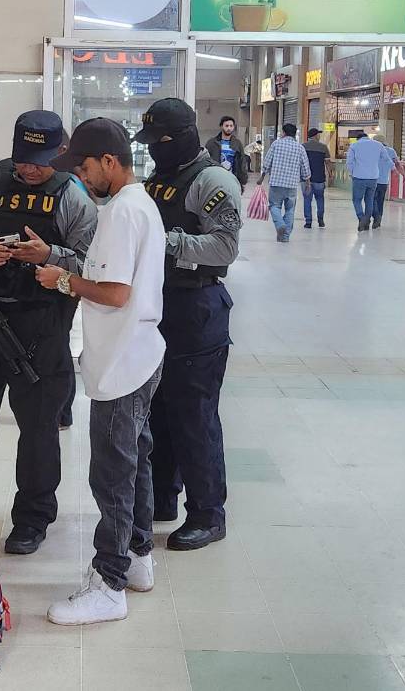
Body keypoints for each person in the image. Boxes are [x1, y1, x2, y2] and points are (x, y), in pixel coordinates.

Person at [0, 110, 97, 556]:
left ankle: (32, 517)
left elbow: (94, 264)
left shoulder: (74, 196)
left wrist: (50, 254)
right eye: (24, 157)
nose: (31, 167)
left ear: (60, 152)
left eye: (41, 159)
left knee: (40, 427)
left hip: (41, 328)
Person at [37, 117, 164, 625]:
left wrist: (63, 280)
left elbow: (115, 292)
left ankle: (109, 583)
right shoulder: (139, 206)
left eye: (86, 168)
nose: (83, 178)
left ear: (110, 162)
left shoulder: (121, 214)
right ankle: (137, 559)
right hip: (140, 353)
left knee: (112, 474)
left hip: (122, 362)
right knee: (136, 461)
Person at [137, 99, 241, 551]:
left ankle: (207, 513)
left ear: (177, 139)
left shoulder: (213, 180)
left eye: (158, 143)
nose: (153, 153)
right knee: (159, 409)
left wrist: (165, 241)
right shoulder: (158, 179)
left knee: (194, 415)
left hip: (198, 307)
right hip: (160, 307)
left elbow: (224, 247)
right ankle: (163, 498)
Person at [57, 130, 87, 432]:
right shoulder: (72, 181)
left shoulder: (69, 185)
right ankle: (61, 411)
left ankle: (63, 412)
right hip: (62, 277)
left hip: (64, 278)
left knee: (58, 344)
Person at [259, 122, 310, 243]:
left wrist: (261, 177)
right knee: (290, 210)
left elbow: (267, 161)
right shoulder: (300, 148)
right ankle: (285, 236)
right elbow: (305, 166)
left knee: (274, 206)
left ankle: (280, 225)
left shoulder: (276, 144)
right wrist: (308, 182)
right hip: (292, 184)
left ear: (284, 132)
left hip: (276, 182)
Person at [346, 132, 384, 232]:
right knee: (369, 200)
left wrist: (351, 172)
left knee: (357, 200)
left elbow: (350, 162)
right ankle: (367, 221)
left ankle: (361, 218)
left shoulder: (354, 145)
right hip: (373, 178)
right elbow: (385, 158)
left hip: (359, 177)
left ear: (358, 139)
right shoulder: (378, 145)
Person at [204, 116, 248, 190]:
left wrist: (243, 178)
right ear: (221, 126)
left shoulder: (237, 143)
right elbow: (205, 160)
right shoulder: (212, 143)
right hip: (216, 179)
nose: (229, 128)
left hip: (232, 179)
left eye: (231, 126)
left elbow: (242, 161)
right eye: (226, 126)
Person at [301, 128, 330, 229]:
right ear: (315, 135)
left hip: (305, 178)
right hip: (319, 178)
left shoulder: (302, 147)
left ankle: (308, 222)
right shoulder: (323, 147)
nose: (319, 136)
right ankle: (320, 220)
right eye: (318, 134)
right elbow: (327, 162)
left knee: (307, 200)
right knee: (320, 199)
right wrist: (330, 174)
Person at [371, 134, 401, 230]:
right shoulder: (391, 151)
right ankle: (379, 217)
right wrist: (403, 175)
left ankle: (376, 216)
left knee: (371, 200)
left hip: (373, 179)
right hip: (384, 181)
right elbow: (397, 164)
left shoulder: (372, 150)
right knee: (380, 201)